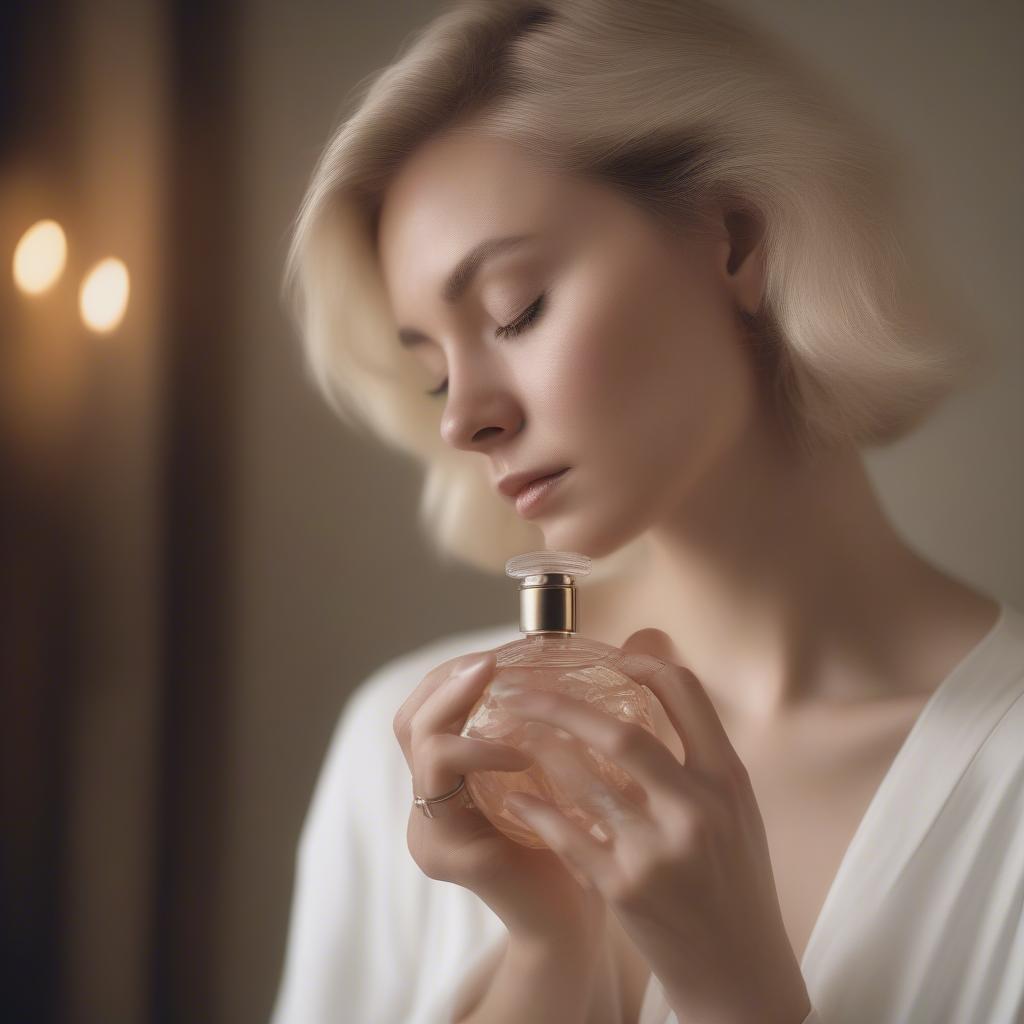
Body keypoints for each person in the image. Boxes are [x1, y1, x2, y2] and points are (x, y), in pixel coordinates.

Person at [270, 1, 1024, 1021]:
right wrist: (547, 945)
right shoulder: (408, 761)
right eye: (437, 375)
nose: (467, 421)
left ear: (736, 240)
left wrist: (731, 986)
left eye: (513, 311)